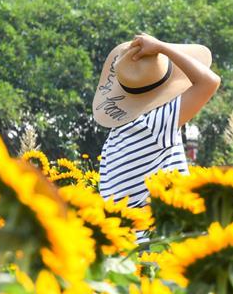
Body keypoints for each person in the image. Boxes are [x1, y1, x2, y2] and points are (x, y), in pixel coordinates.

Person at [93, 33, 220, 207]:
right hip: (161, 223)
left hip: (126, 223)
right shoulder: (153, 125)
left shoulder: (115, 136)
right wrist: (161, 47)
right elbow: (210, 82)